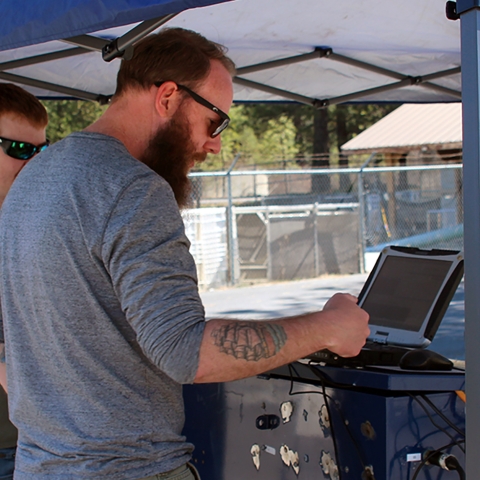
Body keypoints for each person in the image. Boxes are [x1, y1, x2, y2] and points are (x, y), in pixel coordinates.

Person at [0, 28, 369, 480]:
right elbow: (183, 350)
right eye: (215, 122)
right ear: (169, 97)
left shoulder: (31, 181)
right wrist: (328, 328)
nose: (215, 144)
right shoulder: (131, 187)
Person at [0, 83, 49, 480]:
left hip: (33, 446)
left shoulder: (25, 225)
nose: (33, 163)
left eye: (41, 151)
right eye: (19, 150)